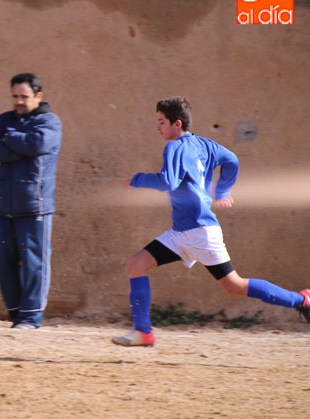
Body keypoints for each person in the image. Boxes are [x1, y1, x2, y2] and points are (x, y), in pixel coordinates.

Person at [113, 96, 309, 347]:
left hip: (199, 231)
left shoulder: (174, 147)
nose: (157, 127)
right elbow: (231, 160)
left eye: (161, 122)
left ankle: (302, 301)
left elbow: (168, 182)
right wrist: (223, 191)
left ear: (177, 123)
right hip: (182, 232)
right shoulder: (206, 145)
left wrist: (137, 180)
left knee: (234, 285)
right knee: (137, 263)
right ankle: (143, 332)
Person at [0, 72, 62, 329]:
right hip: (5, 207)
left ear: (38, 96)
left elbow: (37, 144)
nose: (19, 101)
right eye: (15, 96)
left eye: (24, 96)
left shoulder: (50, 122)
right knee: (4, 261)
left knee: (34, 264)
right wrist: (21, 144)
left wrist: (10, 138)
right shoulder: (4, 120)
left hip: (34, 206)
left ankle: (31, 317)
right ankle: (17, 315)